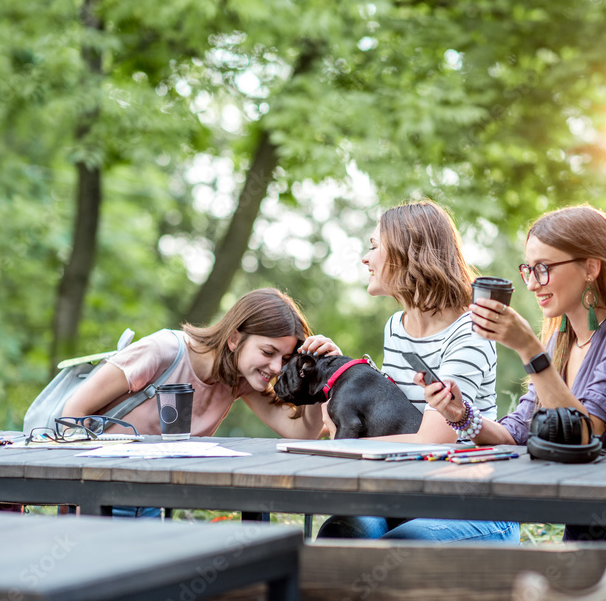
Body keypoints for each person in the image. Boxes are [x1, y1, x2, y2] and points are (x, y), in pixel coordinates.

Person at [419, 204, 606, 546]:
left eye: (544, 269)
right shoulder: (560, 342)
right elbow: (515, 436)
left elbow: (585, 432)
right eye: (528, 269)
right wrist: (460, 413)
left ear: (591, 267)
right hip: (589, 532)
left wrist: (528, 349)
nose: (532, 284)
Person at [316, 201, 518, 542]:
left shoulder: (468, 332)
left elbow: (432, 440)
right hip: (405, 496)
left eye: (374, 246)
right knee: (340, 532)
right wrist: (338, 374)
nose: (366, 258)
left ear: (408, 254)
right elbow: (392, 413)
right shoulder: (396, 326)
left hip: (476, 507)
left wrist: (340, 446)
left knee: (405, 546)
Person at [62, 288, 338, 516]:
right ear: (234, 339)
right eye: (268, 351)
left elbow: (303, 433)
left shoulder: (240, 380)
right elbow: (72, 412)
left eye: (286, 359)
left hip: (150, 503)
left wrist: (320, 369)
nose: (277, 367)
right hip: (98, 499)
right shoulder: (162, 352)